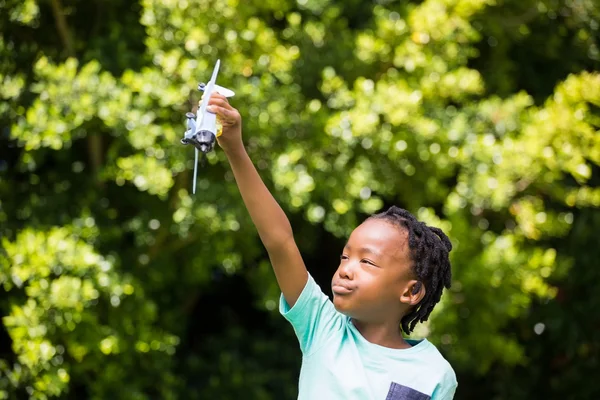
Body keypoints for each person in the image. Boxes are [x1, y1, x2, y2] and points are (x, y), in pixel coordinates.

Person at [206, 93, 457, 399]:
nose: (346, 270)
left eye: (367, 262)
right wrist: (235, 148)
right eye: (345, 257)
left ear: (411, 291)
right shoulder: (323, 328)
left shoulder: (434, 374)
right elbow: (279, 241)